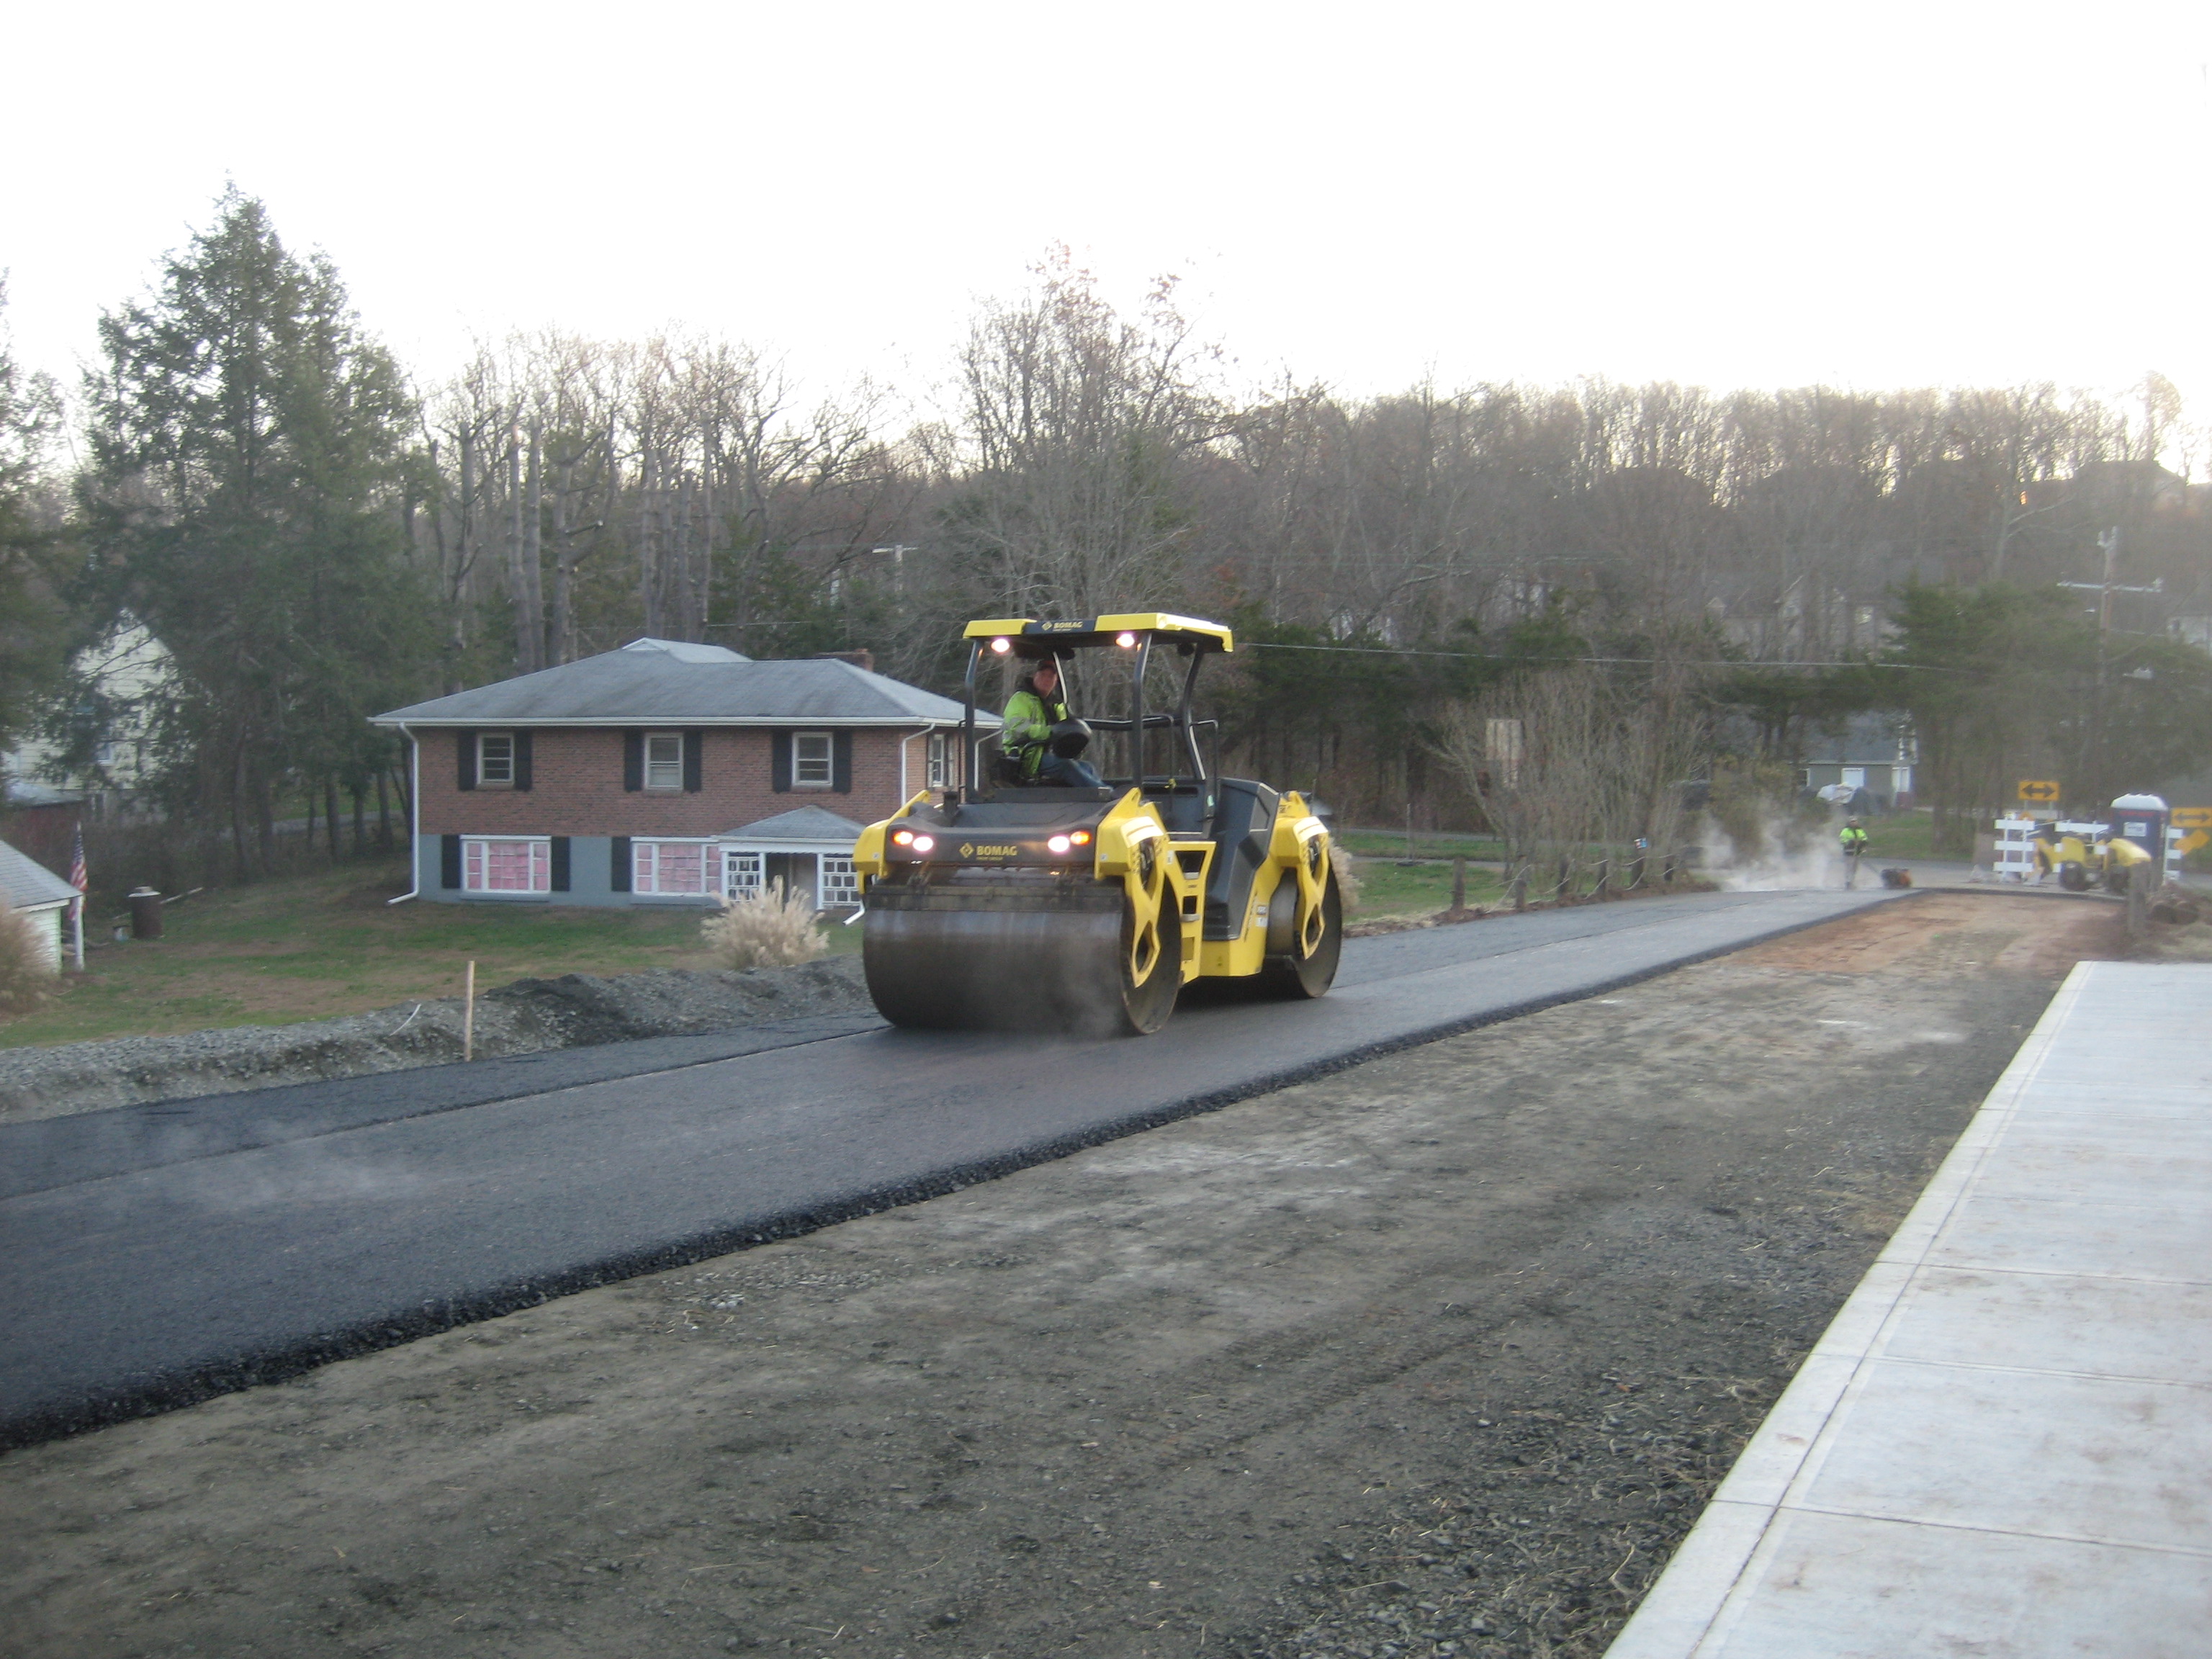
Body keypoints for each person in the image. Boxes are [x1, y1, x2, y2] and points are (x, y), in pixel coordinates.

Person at [1001, 660, 1104, 788]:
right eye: (1043, 675)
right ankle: (1104, 793)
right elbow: (1018, 727)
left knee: (1088, 767)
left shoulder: (1057, 705)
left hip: (1053, 754)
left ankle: (1099, 795)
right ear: (1035, 676)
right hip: (1027, 755)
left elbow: (1067, 727)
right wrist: (1050, 732)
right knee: (1066, 766)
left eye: (1051, 677)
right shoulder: (1021, 699)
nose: (1046, 679)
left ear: (1055, 681)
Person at [1839, 816, 1868, 886]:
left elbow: (1865, 839)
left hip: (1857, 853)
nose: (1853, 823)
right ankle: (1848, 881)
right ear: (1849, 822)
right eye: (1852, 822)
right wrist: (1851, 842)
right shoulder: (1845, 831)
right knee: (1849, 867)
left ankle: (1852, 881)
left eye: (1855, 821)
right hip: (1849, 852)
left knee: (1855, 868)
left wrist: (1862, 844)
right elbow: (1842, 840)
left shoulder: (1860, 830)